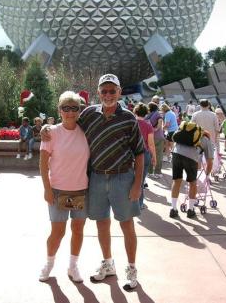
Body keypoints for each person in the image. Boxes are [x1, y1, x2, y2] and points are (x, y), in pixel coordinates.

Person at [74, 74, 144, 290]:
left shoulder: (129, 118)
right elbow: (69, 126)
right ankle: (108, 263)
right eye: (104, 91)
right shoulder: (88, 114)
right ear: (98, 92)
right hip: (96, 177)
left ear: (119, 92)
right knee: (101, 223)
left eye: (112, 91)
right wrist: (49, 130)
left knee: (126, 225)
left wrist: (137, 185)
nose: (108, 95)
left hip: (123, 177)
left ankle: (132, 270)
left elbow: (140, 153)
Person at [38, 91, 90, 283]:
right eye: (65, 108)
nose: (70, 112)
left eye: (74, 108)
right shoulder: (51, 132)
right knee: (58, 232)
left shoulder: (86, 131)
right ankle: (49, 264)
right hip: (58, 190)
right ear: (59, 110)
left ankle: (73, 266)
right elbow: (43, 164)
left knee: (78, 229)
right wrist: (47, 188)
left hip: (81, 190)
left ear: (79, 111)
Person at [169, 129, 214, 219]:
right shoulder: (206, 140)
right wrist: (207, 174)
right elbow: (210, 161)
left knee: (177, 181)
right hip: (191, 158)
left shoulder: (185, 133)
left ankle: (173, 209)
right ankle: (190, 210)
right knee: (192, 183)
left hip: (176, 154)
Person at [133, 103, 156, 210]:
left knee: (128, 179)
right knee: (140, 180)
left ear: (135, 112)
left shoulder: (131, 123)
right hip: (144, 153)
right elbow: (151, 144)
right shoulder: (148, 126)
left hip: (130, 155)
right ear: (146, 113)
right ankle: (139, 203)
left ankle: (129, 202)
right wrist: (154, 157)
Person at [145, 102, 165, 178]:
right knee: (159, 155)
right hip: (158, 137)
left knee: (150, 154)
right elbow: (160, 121)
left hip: (150, 137)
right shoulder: (157, 114)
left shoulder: (148, 115)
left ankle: (149, 172)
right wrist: (156, 128)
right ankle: (157, 172)